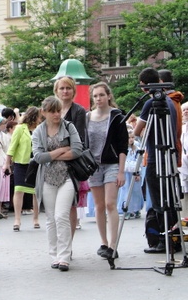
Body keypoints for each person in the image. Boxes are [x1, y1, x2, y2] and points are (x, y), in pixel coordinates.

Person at [32, 96, 83, 272]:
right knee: (50, 218)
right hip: (46, 178)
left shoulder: (69, 126)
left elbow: (77, 150)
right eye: (52, 111)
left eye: (58, 110)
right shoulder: (39, 131)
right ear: (43, 112)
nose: (56, 114)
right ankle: (53, 255)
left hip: (67, 176)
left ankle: (64, 256)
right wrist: (61, 150)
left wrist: (51, 155)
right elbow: (38, 157)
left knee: (61, 216)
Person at [134, 67, 179, 254]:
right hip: (168, 156)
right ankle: (174, 239)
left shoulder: (151, 104)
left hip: (155, 158)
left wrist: (145, 133)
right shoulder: (169, 101)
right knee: (170, 198)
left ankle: (163, 239)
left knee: (160, 200)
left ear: (145, 86)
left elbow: (137, 131)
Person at [87, 82, 128, 259]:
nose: (98, 99)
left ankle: (113, 244)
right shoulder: (88, 116)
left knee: (110, 203)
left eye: (101, 95)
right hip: (93, 166)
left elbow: (122, 145)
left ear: (109, 96)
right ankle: (103, 242)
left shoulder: (117, 116)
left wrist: (121, 171)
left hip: (111, 164)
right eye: (95, 96)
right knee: (99, 205)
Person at [54, 76, 87, 232]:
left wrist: (59, 151)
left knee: (70, 206)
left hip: (70, 164)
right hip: (52, 164)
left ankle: (68, 244)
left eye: (68, 88)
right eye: (62, 88)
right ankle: (59, 244)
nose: (65, 91)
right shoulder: (50, 109)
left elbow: (79, 140)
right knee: (54, 207)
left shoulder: (78, 111)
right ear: (56, 91)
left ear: (73, 91)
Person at [4, 107, 41, 231]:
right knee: (19, 190)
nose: (40, 119)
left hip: (36, 163)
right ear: (34, 117)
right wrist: (7, 163)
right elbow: (12, 147)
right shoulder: (20, 128)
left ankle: (36, 218)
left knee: (36, 192)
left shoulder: (40, 129)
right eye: (39, 117)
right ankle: (17, 219)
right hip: (21, 162)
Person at [117, 128, 144, 219]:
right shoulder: (123, 148)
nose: (131, 139)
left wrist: (137, 172)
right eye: (129, 138)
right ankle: (126, 209)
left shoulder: (137, 148)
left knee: (135, 191)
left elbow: (139, 160)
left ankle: (136, 209)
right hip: (125, 172)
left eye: (132, 137)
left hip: (134, 171)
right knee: (125, 191)